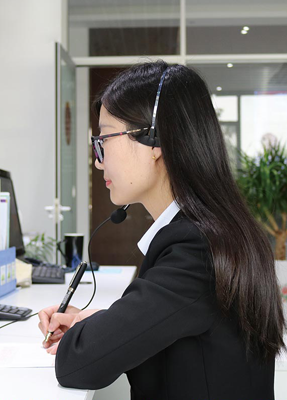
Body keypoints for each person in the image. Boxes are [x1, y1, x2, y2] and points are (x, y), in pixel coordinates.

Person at [38, 61, 285, 400]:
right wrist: (100, 323)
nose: (98, 160)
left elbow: (77, 364)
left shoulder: (195, 250)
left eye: (104, 139)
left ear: (156, 141)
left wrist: (90, 333)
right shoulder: (215, 232)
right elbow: (173, 321)